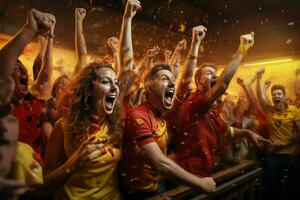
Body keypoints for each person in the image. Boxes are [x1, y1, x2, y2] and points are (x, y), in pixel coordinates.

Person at [171, 32, 268, 176]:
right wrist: (242, 49)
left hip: (205, 174)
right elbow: (222, 85)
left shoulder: (213, 108)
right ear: (198, 81)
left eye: (215, 73)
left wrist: (247, 133)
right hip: (189, 176)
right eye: (209, 73)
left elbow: (226, 130)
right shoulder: (195, 101)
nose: (214, 76)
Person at [120, 63, 216, 199]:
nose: (172, 83)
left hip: (158, 187)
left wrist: (164, 169)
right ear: (149, 88)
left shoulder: (161, 115)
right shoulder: (138, 115)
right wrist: (200, 183)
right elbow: (160, 163)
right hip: (137, 194)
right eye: (165, 79)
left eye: (172, 80)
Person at [256, 68, 300, 200]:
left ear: (284, 97)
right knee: (271, 187)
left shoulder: (294, 111)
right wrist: (259, 79)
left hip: (290, 155)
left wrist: (282, 145)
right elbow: (260, 97)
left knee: (290, 187)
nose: (276, 96)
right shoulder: (269, 110)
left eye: (279, 94)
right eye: (274, 94)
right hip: (273, 157)